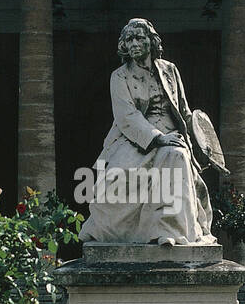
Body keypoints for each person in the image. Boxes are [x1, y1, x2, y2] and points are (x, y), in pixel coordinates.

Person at [79, 18, 219, 245]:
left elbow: (183, 109)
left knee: (177, 156)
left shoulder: (170, 70)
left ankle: (168, 231)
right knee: (119, 173)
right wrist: (158, 138)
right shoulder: (119, 76)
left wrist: (200, 138)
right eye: (129, 39)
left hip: (172, 133)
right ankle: (121, 230)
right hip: (135, 137)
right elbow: (127, 116)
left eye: (139, 38)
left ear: (151, 42)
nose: (134, 43)